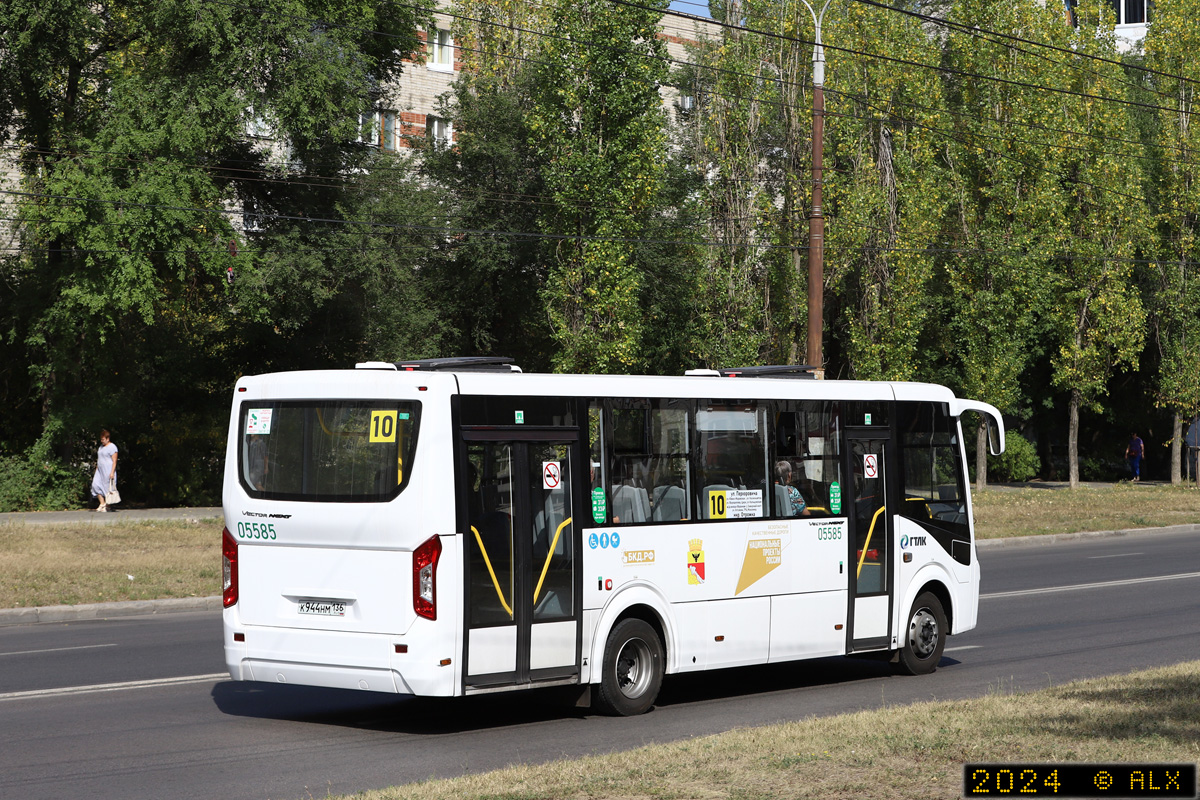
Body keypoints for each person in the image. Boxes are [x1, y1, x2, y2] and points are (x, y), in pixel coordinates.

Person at [91, 429, 119, 511]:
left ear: (108, 439)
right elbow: (99, 459)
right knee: (95, 485)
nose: (102, 441)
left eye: (103, 439)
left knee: (108, 488)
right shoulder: (101, 447)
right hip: (100, 470)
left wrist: (112, 472)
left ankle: (107, 505)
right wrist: (97, 469)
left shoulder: (112, 447)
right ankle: (102, 503)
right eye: (101, 439)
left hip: (108, 470)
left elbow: (114, 461)